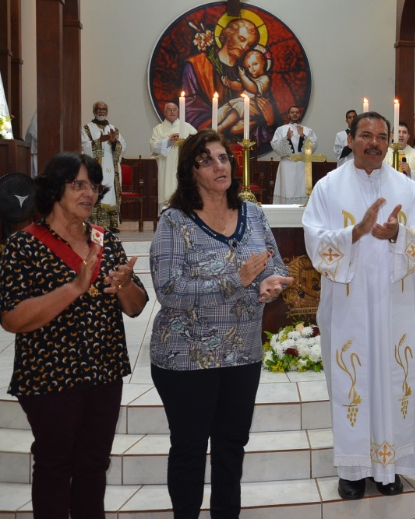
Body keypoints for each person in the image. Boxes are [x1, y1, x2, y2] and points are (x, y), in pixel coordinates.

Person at [149, 130, 291, 519]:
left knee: (231, 446)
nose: (219, 165)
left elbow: (275, 263)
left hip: (242, 353)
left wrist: (270, 283)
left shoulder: (253, 213)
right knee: (190, 449)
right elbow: (168, 290)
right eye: (207, 160)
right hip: (185, 358)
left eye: (224, 158)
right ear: (189, 172)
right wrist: (238, 279)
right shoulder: (175, 222)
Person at [0, 152, 148, 519]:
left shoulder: (105, 240)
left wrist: (126, 284)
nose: (89, 194)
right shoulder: (25, 246)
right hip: (50, 376)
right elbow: (12, 318)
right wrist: (74, 288)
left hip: (104, 372)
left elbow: (135, 306)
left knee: (94, 465)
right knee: (54, 466)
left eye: (94, 186)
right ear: (54, 190)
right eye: (78, 185)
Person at [303, 112, 415, 500]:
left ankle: (388, 466)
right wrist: (354, 233)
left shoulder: (406, 187)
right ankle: (352, 468)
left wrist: (399, 234)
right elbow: (315, 242)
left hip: (394, 300)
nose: (375, 143)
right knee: (353, 378)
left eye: (381, 136)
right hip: (349, 303)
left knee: (395, 376)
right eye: (366, 135)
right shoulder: (328, 186)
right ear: (350, 138)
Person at [182, 17, 260, 131]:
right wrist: (225, 128)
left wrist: (268, 120)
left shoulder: (248, 74)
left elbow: (257, 107)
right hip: (208, 134)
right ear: (228, 34)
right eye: (241, 39)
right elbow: (190, 108)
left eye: (249, 45)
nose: (244, 47)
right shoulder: (197, 65)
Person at [80, 101, 126, 230]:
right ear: (94, 111)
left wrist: (114, 142)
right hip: (95, 168)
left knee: (111, 193)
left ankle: (111, 224)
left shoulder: (114, 129)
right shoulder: (87, 128)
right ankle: (96, 223)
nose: (101, 111)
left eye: (104, 109)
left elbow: (123, 146)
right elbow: (83, 146)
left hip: (111, 168)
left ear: (107, 111)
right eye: (99, 109)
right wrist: (98, 142)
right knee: (97, 192)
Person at [217, 47, 277, 141]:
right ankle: (213, 126)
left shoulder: (265, 79)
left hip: (254, 106)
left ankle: (221, 127)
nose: (251, 68)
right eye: (248, 66)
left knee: (240, 106)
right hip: (242, 102)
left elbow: (252, 88)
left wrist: (243, 76)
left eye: (255, 64)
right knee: (225, 108)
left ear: (263, 64)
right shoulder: (248, 79)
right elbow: (240, 86)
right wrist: (229, 83)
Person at [151, 101, 198, 207]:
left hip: (184, 166)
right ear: (164, 112)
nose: (172, 112)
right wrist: (168, 141)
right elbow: (153, 147)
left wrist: (184, 142)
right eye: (169, 109)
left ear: (178, 112)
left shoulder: (187, 127)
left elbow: (197, 143)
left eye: (174, 109)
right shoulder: (158, 129)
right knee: (167, 192)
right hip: (166, 167)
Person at [269, 105, 318, 204]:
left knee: (301, 188)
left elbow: (312, 146)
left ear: (300, 114)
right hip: (286, 164)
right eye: (292, 112)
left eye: (297, 112)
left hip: (301, 165)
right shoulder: (281, 130)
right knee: (287, 188)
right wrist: (286, 138)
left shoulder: (308, 130)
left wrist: (303, 136)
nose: (294, 114)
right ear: (288, 115)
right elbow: (275, 146)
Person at [384, 121, 415, 190]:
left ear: (408, 136)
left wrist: (410, 172)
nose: (401, 135)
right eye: (398, 132)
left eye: (404, 132)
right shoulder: (384, 153)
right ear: (392, 135)